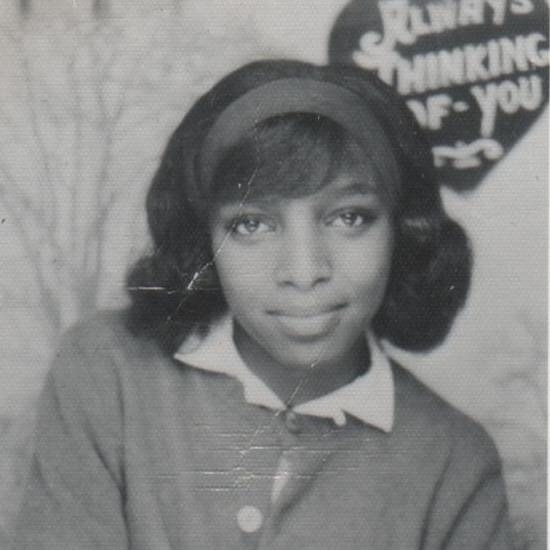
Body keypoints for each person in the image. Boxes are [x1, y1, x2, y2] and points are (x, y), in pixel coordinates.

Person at [14, 60, 515, 549]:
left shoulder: (456, 464)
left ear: (403, 232)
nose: (303, 272)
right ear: (203, 241)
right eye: (251, 224)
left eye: (349, 217)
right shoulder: (107, 370)